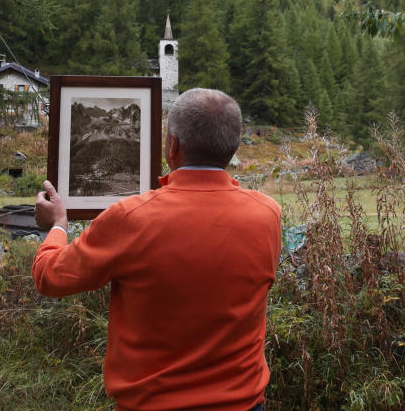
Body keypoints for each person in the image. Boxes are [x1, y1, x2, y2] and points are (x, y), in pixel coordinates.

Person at [32, 88, 281, 411]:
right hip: (244, 404)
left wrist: (57, 225)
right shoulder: (267, 214)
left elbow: (50, 277)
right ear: (231, 148)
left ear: (172, 146)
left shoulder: (130, 218)